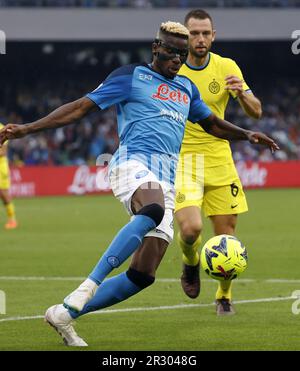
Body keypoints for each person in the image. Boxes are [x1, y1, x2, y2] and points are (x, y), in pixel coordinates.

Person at [0, 21, 278, 347]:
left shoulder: (187, 88)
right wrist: (26, 129)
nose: (177, 59)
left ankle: (64, 314)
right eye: (171, 51)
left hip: (166, 177)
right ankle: (87, 286)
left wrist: (246, 134)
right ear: (156, 48)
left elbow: (211, 123)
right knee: (152, 207)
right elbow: (80, 108)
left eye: (182, 54)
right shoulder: (131, 76)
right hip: (131, 163)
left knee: (143, 274)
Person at [175, 9, 262, 315]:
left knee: (226, 238)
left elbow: (256, 112)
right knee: (190, 230)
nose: (200, 39)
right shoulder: (173, 69)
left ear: (213, 35)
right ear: (185, 37)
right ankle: (190, 261)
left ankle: (224, 295)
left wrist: (243, 95)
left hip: (220, 159)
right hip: (185, 161)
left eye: (205, 33)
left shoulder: (227, 66)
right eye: (194, 33)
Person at [0, 123, 18, 230]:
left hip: (0, 166)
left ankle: (12, 219)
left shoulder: (2, 128)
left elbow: (3, 151)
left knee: (3, 193)